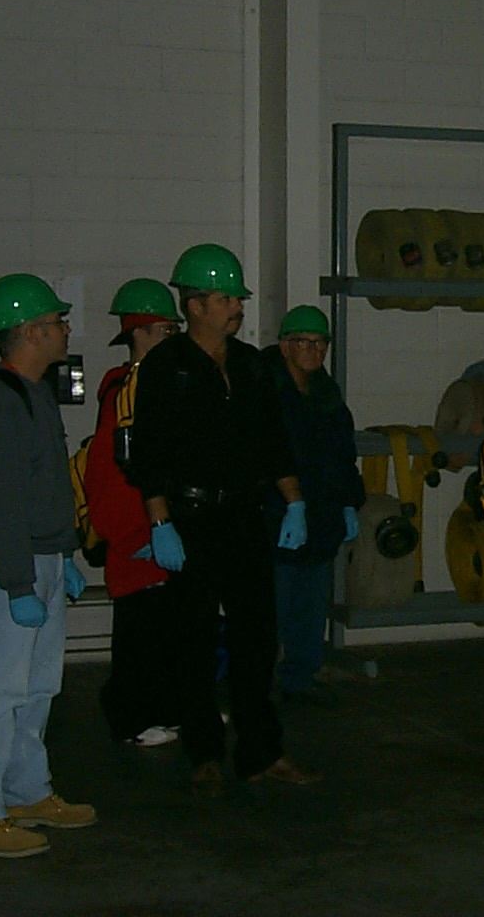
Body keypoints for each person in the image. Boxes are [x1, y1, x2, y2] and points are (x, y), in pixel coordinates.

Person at [125, 243, 320, 796]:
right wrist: (160, 522)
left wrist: (295, 500)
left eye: (237, 297)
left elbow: (271, 440)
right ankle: (204, 752)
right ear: (194, 305)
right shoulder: (167, 367)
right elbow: (151, 454)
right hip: (189, 516)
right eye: (226, 297)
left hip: (242, 514)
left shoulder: (253, 365)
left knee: (257, 637)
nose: (236, 306)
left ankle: (262, 752)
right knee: (193, 638)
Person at [0, 273, 96, 858]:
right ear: (32, 331)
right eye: (57, 322)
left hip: (41, 561)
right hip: (14, 567)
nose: (65, 329)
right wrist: (17, 581)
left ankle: (26, 792)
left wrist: (62, 554)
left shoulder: (36, 392)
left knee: (36, 687)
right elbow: (1, 499)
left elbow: (45, 487)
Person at [86, 278, 184, 747]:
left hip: (159, 528)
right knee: (138, 634)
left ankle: (167, 709)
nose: (171, 338)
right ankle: (131, 719)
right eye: (164, 330)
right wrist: (130, 534)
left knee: (166, 631)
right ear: (138, 332)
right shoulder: (125, 395)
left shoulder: (154, 388)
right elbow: (111, 476)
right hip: (135, 532)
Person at [261, 305, 366, 704]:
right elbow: (269, 452)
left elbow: (341, 454)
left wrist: (348, 503)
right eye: (303, 341)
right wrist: (290, 505)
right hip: (277, 517)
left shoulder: (326, 395)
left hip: (321, 517)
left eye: (319, 342)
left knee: (310, 604)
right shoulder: (266, 388)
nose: (313, 350)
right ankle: (258, 683)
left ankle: (300, 676)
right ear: (285, 345)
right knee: (274, 606)